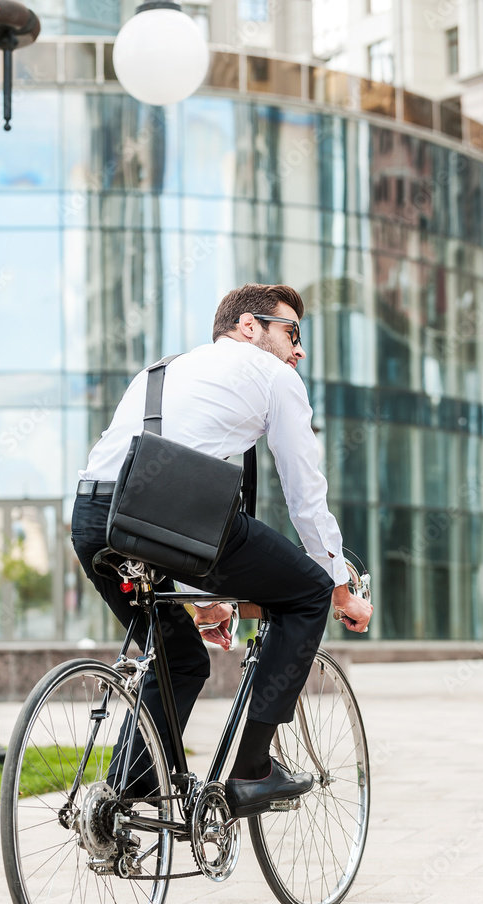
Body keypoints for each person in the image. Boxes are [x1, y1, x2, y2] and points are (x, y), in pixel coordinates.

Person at [71, 283, 373, 818]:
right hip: (171, 516)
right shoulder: (275, 377)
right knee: (305, 592)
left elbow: (136, 489)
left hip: (96, 519)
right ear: (248, 327)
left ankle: (124, 795)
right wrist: (340, 588)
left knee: (181, 658)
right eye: (292, 332)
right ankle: (254, 772)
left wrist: (202, 598)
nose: (299, 349)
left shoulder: (159, 372)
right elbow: (306, 495)